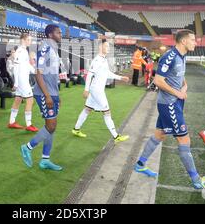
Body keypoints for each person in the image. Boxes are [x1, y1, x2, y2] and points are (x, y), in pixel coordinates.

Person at [133, 30, 205, 190]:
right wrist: (178, 92)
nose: (195, 42)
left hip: (174, 102)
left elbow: (178, 74)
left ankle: (140, 164)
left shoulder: (182, 55)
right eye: (193, 40)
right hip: (170, 104)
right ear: (184, 41)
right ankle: (196, 180)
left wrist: (184, 84)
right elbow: (158, 80)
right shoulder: (170, 56)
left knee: (159, 134)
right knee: (184, 140)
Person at [20, 25, 63, 171]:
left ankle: (45, 160)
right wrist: (47, 95)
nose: (60, 35)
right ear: (50, 35)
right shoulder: (44, 48)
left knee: (51, 127)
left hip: (53, 93)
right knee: (51, 126)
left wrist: (57, 95)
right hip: (45, 94)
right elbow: (38, 73)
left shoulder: (54, 49)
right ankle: (27, 147)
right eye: (58, 32)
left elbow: (53, 76)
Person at [72, 39, 130, 143]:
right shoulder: (97, 60)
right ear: (100, 47)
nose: (108, 48)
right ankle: (116, 137)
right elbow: (89, 75)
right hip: (96, 91)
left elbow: (107, 73)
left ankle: (76, 129)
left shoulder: (104, 60)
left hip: (96, 90)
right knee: (107, 112)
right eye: (106, 46)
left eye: (108, 46)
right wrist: (86, 90)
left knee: (87, 109)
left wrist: (121, 78)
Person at [7, 33, 38, 132]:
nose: (30, 42)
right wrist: (16, 83)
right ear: (23, 40)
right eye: (29, 40)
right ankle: (29, 124)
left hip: (23, 80)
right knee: (30, 100)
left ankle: (11, 122)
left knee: (18, 100)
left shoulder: (24, 51)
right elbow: (16, 68)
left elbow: (26, 65)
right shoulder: (20, 51)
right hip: (22, 81)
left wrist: (34, 70)